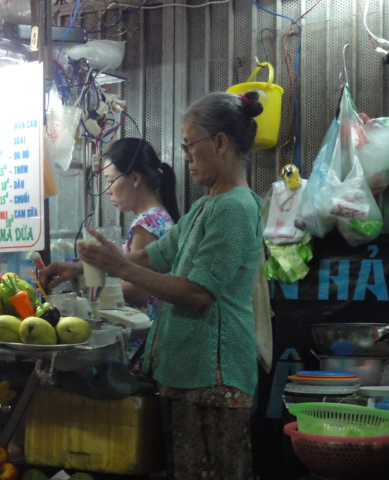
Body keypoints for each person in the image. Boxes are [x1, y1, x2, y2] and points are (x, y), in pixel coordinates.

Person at [41, 90, 264, 479]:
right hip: (187, 375)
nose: (185, 156)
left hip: (213, 379)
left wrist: (118, 268)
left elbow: (198, 294)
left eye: (189, 145)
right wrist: (78, 267)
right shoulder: (206, 206)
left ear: (220, 143)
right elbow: (152, 257)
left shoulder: (234, 208)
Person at [101, 138, 179, 320]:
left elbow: (138, 291)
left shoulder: (146, 223)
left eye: (110, 181)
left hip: (145, 329)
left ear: (135, 178)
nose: (107, 190)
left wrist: (91, 290)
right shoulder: (159, 216)